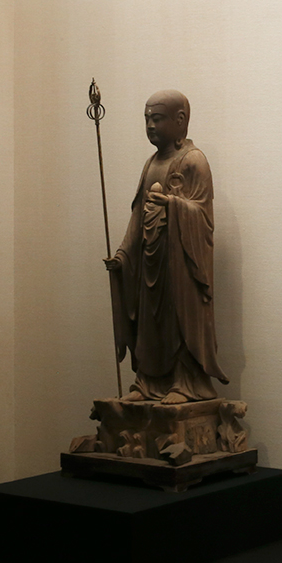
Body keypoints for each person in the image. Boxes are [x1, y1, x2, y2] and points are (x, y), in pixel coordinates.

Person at [104, 90, 228, 404]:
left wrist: (172, 205)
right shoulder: (150, 164)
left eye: (157, 119)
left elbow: (203, 215)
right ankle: (148, 382)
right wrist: (123, 255)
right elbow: (137, 216)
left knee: (178, 320)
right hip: (151, 259)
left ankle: (186, 383)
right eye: (147, 119)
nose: (150, 126)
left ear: (180, 120)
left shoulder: (193, 161)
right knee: (149, 321)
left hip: (181, 263)